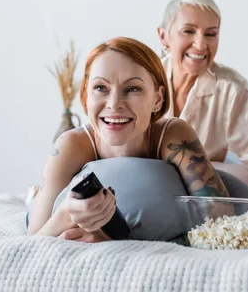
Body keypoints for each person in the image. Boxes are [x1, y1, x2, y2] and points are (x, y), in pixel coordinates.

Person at [27, 37, 231, 242]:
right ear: (85, 96)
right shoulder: (70, 145)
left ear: (158, 100)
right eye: (100, 88)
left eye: (132, 89)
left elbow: (222, 223)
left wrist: (112, 240)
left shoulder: (174, 135)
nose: (114, 104)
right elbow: (33, 238)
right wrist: (66, 214)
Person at [158, 0, 248, 197]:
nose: (200, 44)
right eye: (188, 31)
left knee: (240, 176)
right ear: (164, 36)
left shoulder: (232, 87)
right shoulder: (143, 79)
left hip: (204, 188)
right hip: (150, 179)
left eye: (210, 34)